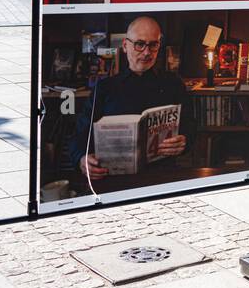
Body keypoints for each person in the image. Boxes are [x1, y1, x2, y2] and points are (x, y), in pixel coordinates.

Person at [69, 16, 193, 181]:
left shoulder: (174, 84)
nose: (147, 52)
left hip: (162, 174)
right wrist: (81, 159)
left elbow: (190, 125)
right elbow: (80, 135)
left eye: (153, 45)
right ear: (125, 45)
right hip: (112, 177)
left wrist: (185, 141)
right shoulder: (105, 88)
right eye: (140, 44)